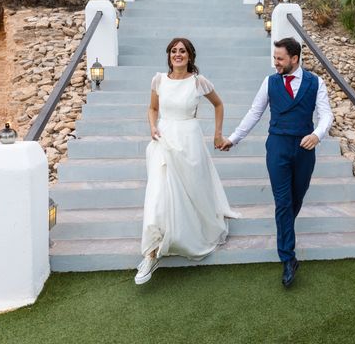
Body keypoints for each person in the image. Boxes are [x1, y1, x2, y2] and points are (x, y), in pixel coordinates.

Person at [219, 37, 333, 288]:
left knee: (296, 199)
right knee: (283, 202)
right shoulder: (269, 82)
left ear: (295, 58)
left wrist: (317, 134)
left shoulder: (316, 82)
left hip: (305, 148)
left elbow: (326, 115)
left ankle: (285, 236)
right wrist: (234, 138)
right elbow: (255, 112)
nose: (276, 63)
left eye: (280, 59)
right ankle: (288, 257)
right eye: (274, 58)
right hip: (278, 147)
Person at [134, 37, 239, 285]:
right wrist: (151, 127)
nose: (177, 54)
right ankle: (151, 252)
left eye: (182, 51)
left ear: (190, 56)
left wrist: (217, 134)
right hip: (164, 140)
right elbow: (152, 109)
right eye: (173, 51)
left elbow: (219, 104)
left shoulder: (198, 82)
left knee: (191, 193)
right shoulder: (158, 80)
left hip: (190, 141)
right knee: (159, 194)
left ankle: (184, 235)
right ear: (169, 55)